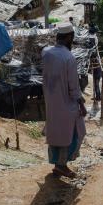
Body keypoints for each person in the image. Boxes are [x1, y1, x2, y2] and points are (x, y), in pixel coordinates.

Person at [42, 22, 87, 178]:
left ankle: (57, 164)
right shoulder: (69, 57)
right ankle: (62, 165)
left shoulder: (46, 52)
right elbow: (73, 86)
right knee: (74, 132)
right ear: (69, 37)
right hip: (66, 103)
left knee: (55, 132)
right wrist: (81, 103)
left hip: (51, 101)